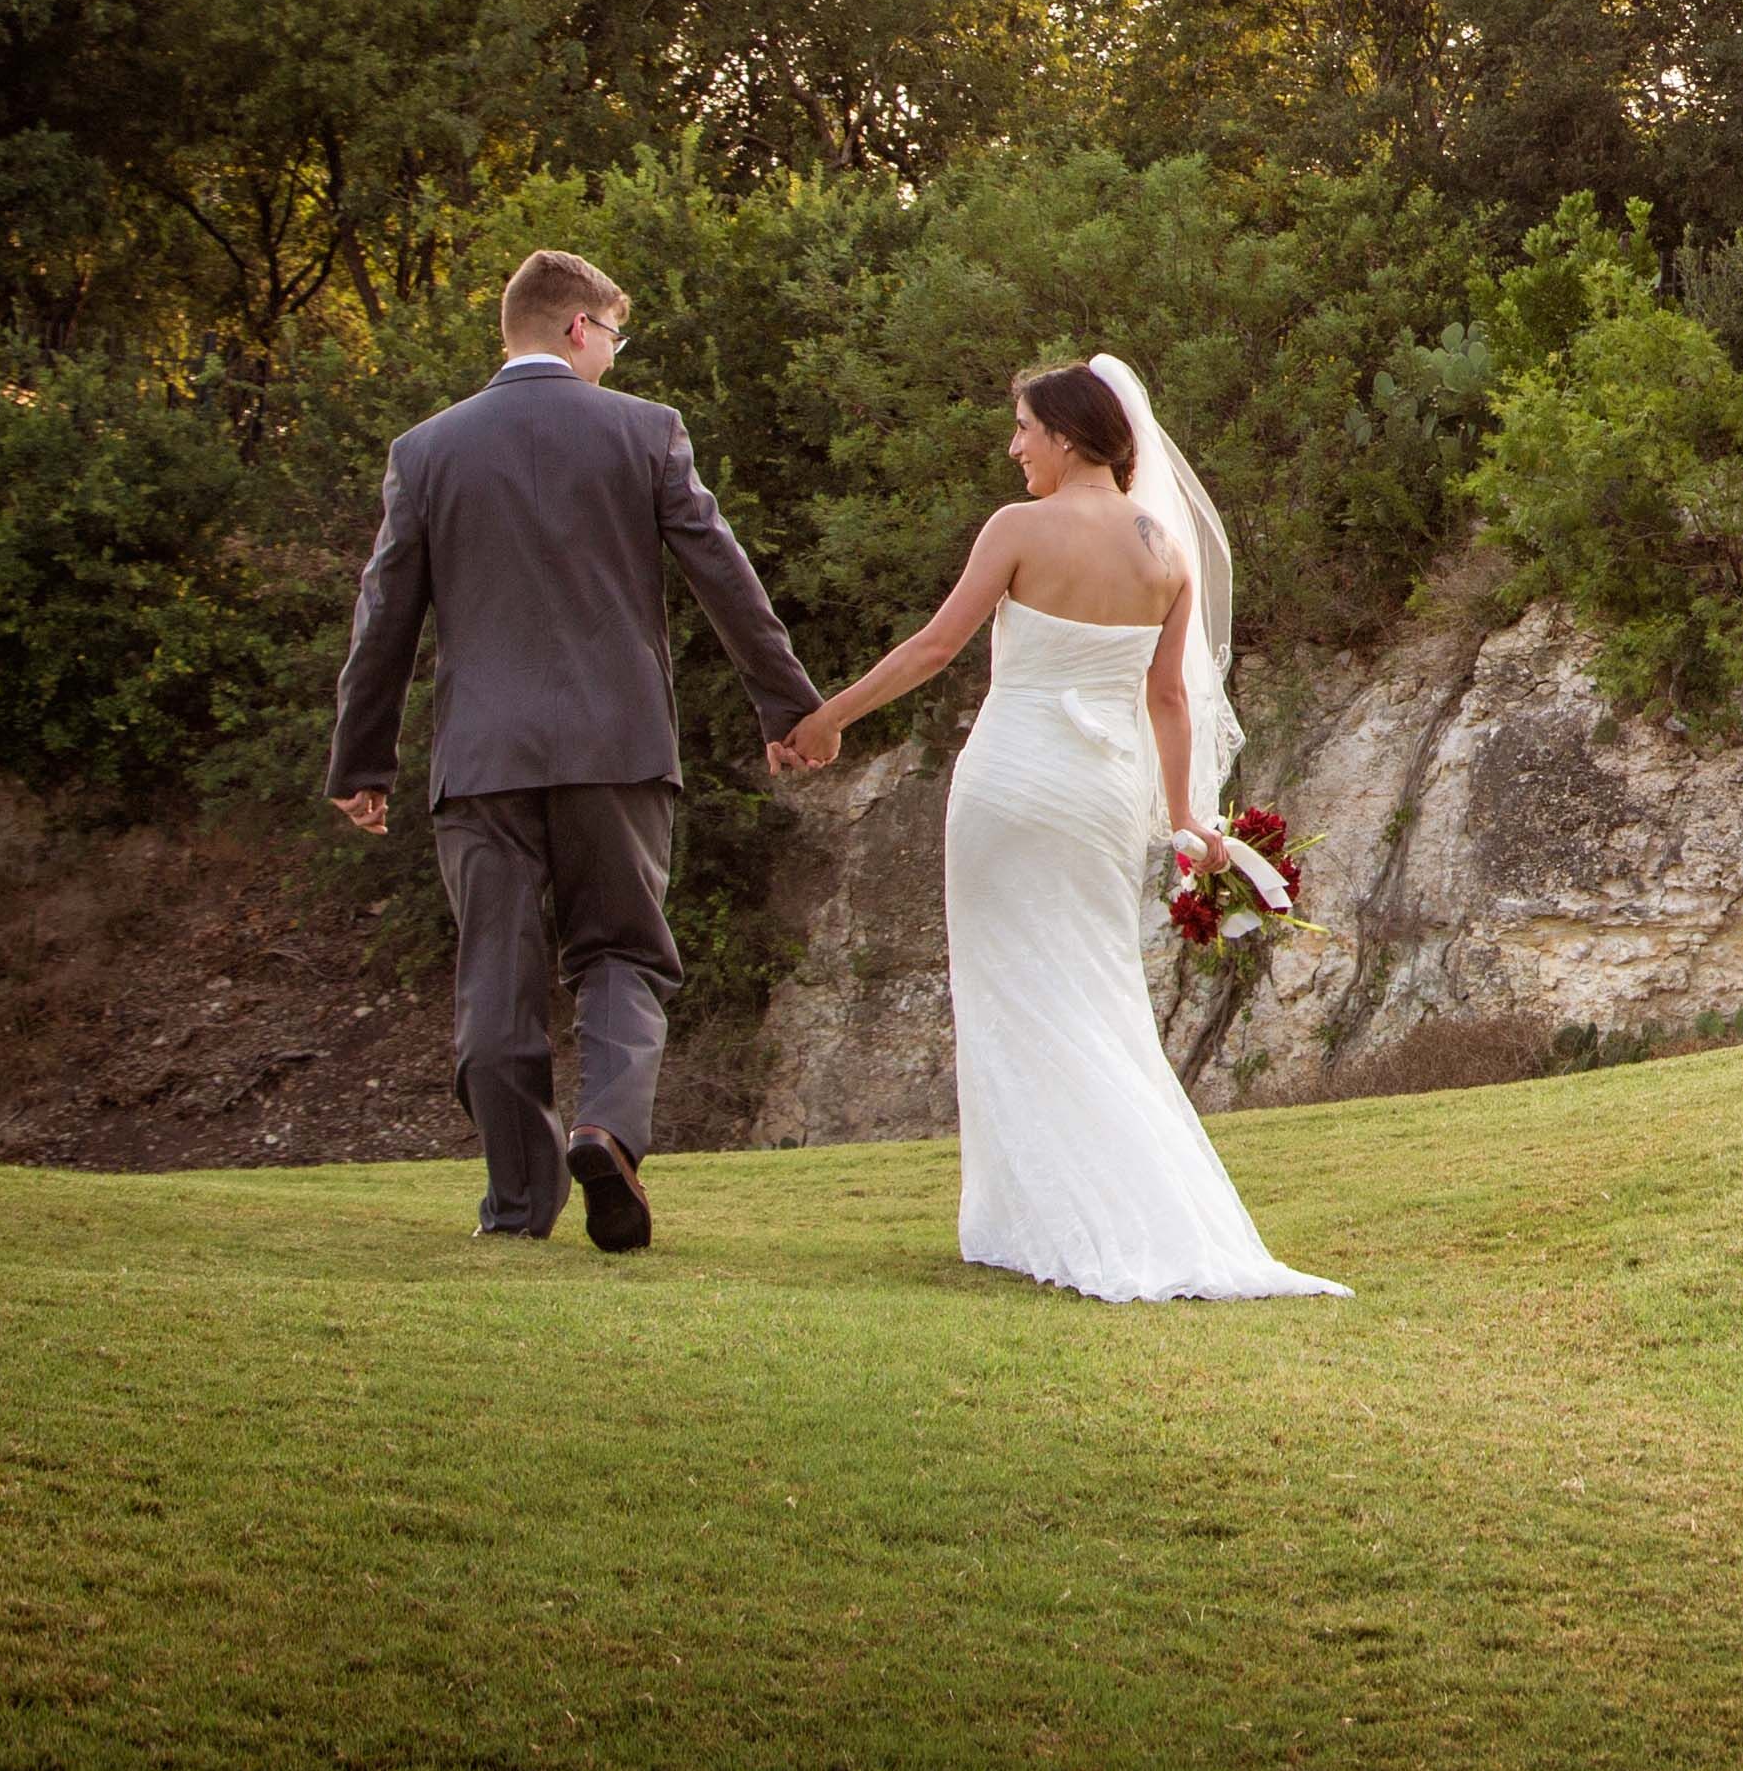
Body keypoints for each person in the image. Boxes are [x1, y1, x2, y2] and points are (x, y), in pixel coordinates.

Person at [771, 355, 1344, 1302]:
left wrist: (831, 716)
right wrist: (1182, 816)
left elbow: (935, 647)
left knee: (1013, 991)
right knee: (1094, 989)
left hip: (1012, 782)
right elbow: (1168, 698)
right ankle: (1098, 1206)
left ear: (1068, 436)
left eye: (1024, 430)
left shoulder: (1020, 529)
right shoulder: (1168, 553)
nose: (1014, 448)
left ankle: (1041, 1212)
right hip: (1100, 797)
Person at [327, 248, 818, 1253]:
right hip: (618, 747)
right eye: (614, 338)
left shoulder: (427, 451)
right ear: (579, 328)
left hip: (484, 759)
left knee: (495, 977)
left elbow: (385, 618)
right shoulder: (646, 433)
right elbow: (726, 580)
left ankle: (516, 1208)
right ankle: (607, 1128)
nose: (614, 357)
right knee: (624, 954)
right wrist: (787, 708)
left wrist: (362, 761)